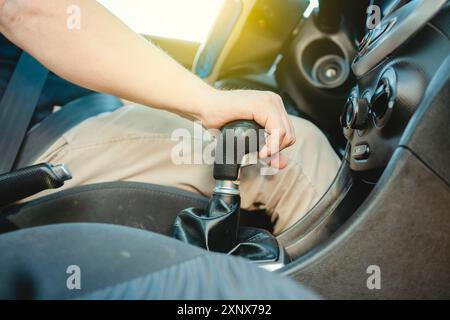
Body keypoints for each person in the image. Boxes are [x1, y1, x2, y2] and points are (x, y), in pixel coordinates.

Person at [0, 0, 340, 234]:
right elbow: (29, 11)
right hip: (28, 149)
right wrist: (207, 102)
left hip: (63, 115)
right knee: (294, 154)